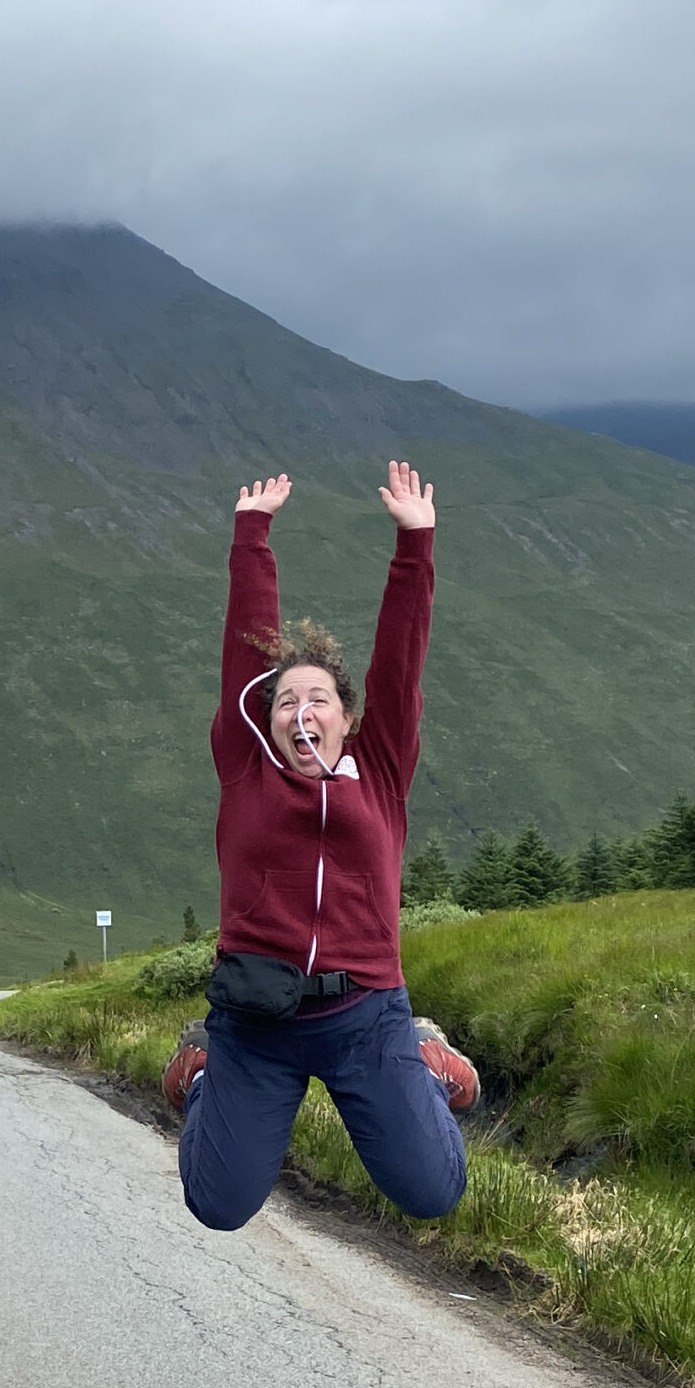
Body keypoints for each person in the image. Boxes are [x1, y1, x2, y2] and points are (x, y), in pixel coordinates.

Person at [162, 463, 478, 1232]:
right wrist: (252, 537)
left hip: (367, 1012)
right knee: (219, 1206)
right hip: (254, 1017)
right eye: (287, 700)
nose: (303, 711)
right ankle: (202, 1071)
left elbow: (401, 665)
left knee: (434, 1192)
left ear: (345, 717)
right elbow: (247, 650)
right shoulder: (246, 770)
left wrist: (415, 543)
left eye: (320, 699)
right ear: (265, 720)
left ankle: (426, 1065)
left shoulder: (379, 770)